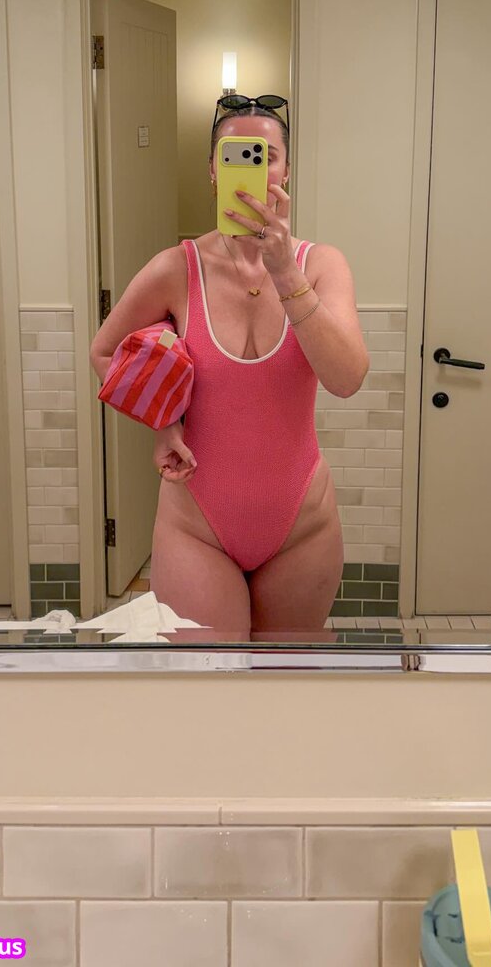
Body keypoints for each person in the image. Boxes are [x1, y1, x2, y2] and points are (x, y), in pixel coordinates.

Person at [89, 96, 369, 641]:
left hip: (302, 527)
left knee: (286, 683)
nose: (252, 168)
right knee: (206, 685)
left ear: (286, 170)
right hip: (196, 526)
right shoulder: (176, 268)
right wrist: (164, 422)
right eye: (234, 155)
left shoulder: (321, 265)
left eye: (267, 156)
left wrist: (285, 271)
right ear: (214, 171)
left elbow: (346, 379)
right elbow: (104, 351)